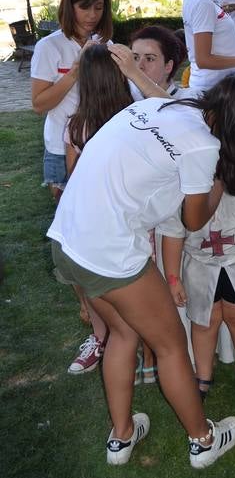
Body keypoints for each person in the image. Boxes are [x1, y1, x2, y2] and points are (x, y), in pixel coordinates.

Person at [48, 71, 235, 468]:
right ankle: (203, 440)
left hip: (67, 238)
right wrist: (218, 181)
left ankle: (121, 436)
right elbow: (194, 220)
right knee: (170, 345)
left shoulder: (156, 106)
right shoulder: (203, 148)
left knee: (122, 331)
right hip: (110, 253)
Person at [63, 42, 171, 377]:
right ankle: (151, 360)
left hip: (98, 230)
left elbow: (72, 179)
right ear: (120, 76)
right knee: (150, 296)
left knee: (115, 304)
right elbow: (176, 113)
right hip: (138, 221)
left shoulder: (76, 127)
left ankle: (114, 343)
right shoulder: (137, 117)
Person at [160, 167, 235, 403]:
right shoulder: (181, 184)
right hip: (199, 265)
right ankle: (203, 373)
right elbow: (172, 233)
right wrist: (173, 278)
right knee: (204, 321)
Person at [31, 0, 112, 201]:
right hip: (60, 146)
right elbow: (38, 105)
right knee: (65, 219)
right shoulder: (49, 47)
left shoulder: (105, 43)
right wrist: (75, 71)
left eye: (98, 7)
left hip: (99, 143)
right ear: (69, 5)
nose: (92, 15)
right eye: (84, 7)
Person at [130, 25, 188, 98]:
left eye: (149, 59)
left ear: (168, 66)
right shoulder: (125, 97)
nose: (139, 66)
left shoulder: (186, 101)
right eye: (135, 58)